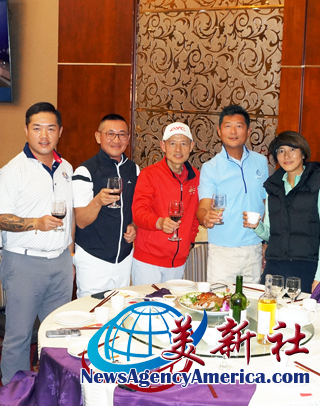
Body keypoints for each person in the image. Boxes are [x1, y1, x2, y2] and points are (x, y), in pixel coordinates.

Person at [0, 102, 73, 384]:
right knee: (19, 335)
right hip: (24, 261)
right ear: (26, 130)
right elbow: (0, 219)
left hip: (60, 262)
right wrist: (35, 223)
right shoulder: (12, 170)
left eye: (50, 128)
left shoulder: (66, 168)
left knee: (57, 333)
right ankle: (15, 393)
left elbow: (71, 216)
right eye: (37, 128)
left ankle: (53, 389)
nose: (44, 135)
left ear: (60, 131)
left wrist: (70, 255)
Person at [244, 131, 320, 292]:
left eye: (292, 149)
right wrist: (257, 226)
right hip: (274, 266)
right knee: (266, 308)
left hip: (306, 267)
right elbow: (269, 234)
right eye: (281, 151)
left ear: (303, 153)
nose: (286, 156)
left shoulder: (319, 184)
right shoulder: (273, 186)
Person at [197, 105, 268, 284]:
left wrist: (267, 241)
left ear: (248, 131)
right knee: (221, 299)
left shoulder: (261, 162)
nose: (233, 131)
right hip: (223, 252)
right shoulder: (210, 168)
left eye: (239, 126)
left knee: (251, 299)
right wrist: (206, 218)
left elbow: (267, 204)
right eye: (228, 126)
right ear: (219, 131)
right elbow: (203, 208)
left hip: (254, 247)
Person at [72, 114, 139, 297]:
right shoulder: (85, 171)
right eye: (110, 134)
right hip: (93, 258)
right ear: (98, 136)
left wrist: (134, 226)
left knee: (120, 308)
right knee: (91, 309)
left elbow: (136, 209)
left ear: (128, 138)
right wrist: (98, 201)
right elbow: (81, 221)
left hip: (124, 258)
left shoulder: (134, 169)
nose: (116, 140)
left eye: (122, 134)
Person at [131, 122, 201, 285]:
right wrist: (160, 222)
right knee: (147, 301)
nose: (178, 149)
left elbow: (195, 216)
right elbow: (139, 213)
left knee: (172, 302)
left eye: (183, 143)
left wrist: (189, 242)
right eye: (172, 143)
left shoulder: (196, 177)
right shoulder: (149, 175)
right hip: (148, 260)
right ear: (163, 146)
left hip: (178, 261)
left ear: (191, 146)